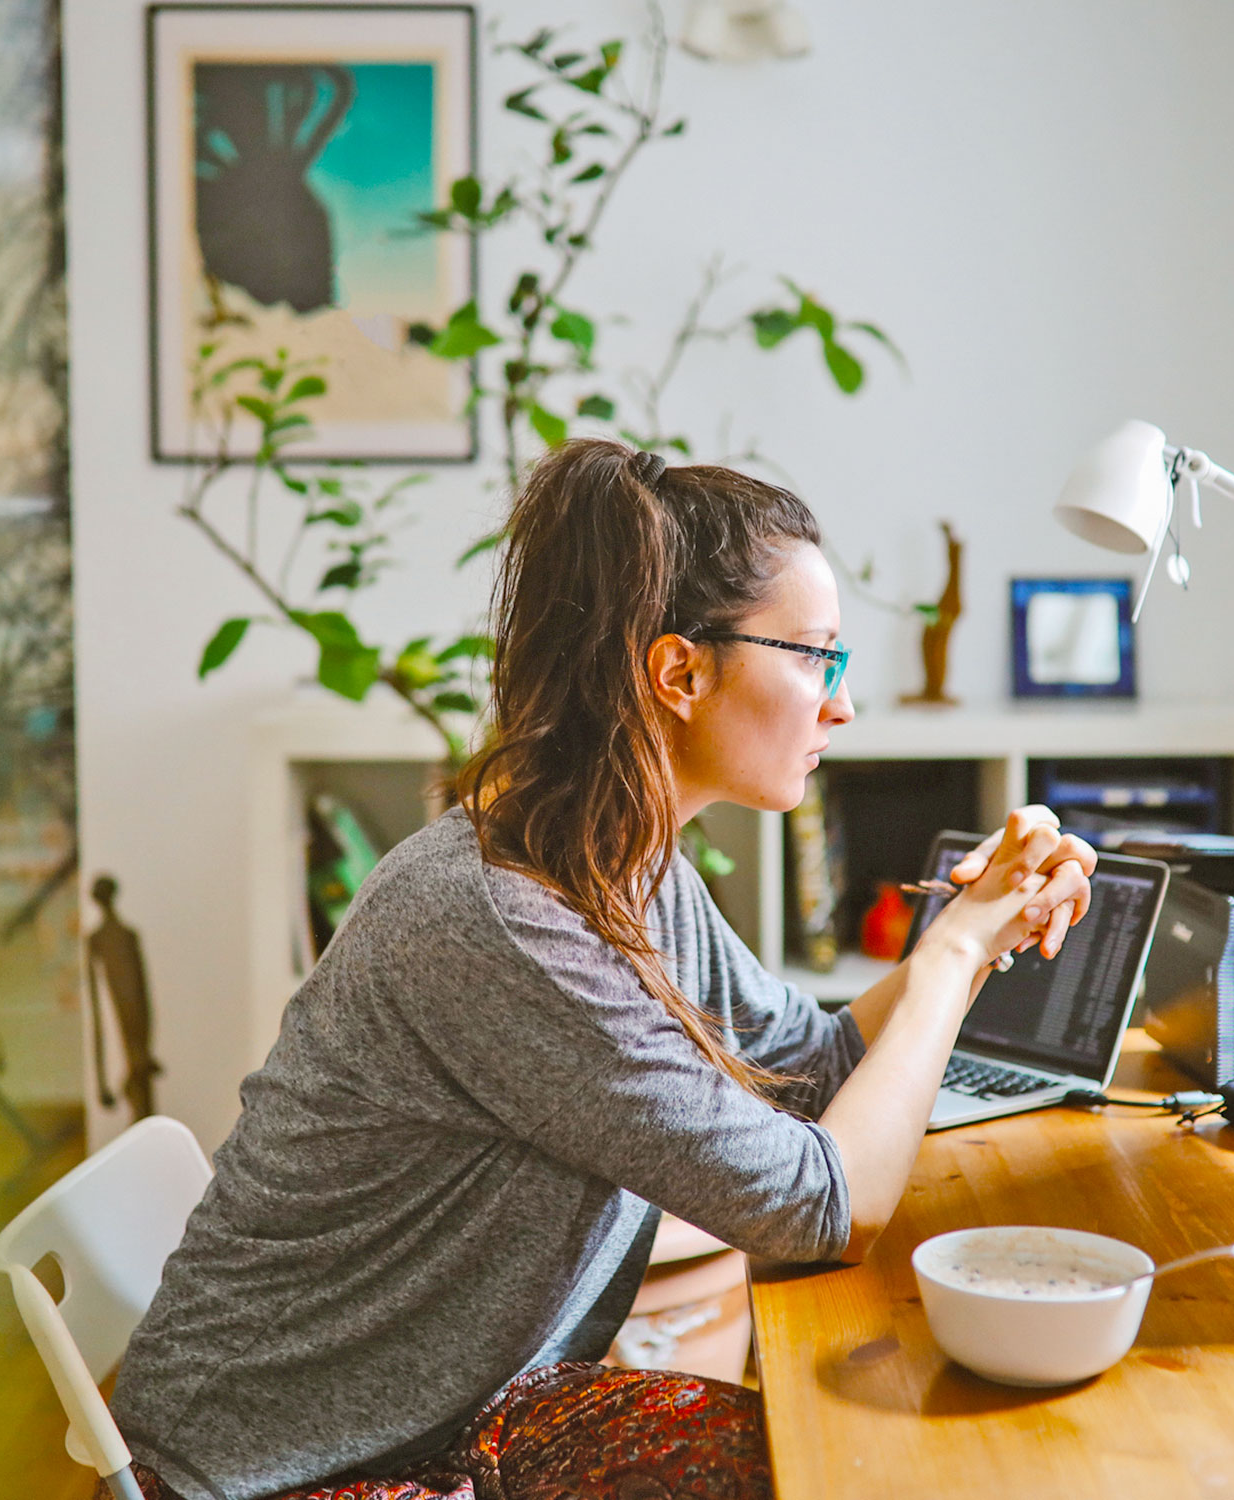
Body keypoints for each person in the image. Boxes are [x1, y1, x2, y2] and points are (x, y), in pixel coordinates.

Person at [108, 440, 1096, 1500]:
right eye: (816, 657)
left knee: (844, 1455)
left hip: (444, 1419)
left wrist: (976, 932)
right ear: (678, 672)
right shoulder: (504, 921)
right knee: (841, 1464)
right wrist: (946, 951)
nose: (840, 704)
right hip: (279, 1477)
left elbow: (808, 1068)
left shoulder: (618, 861)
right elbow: (824, 1210)